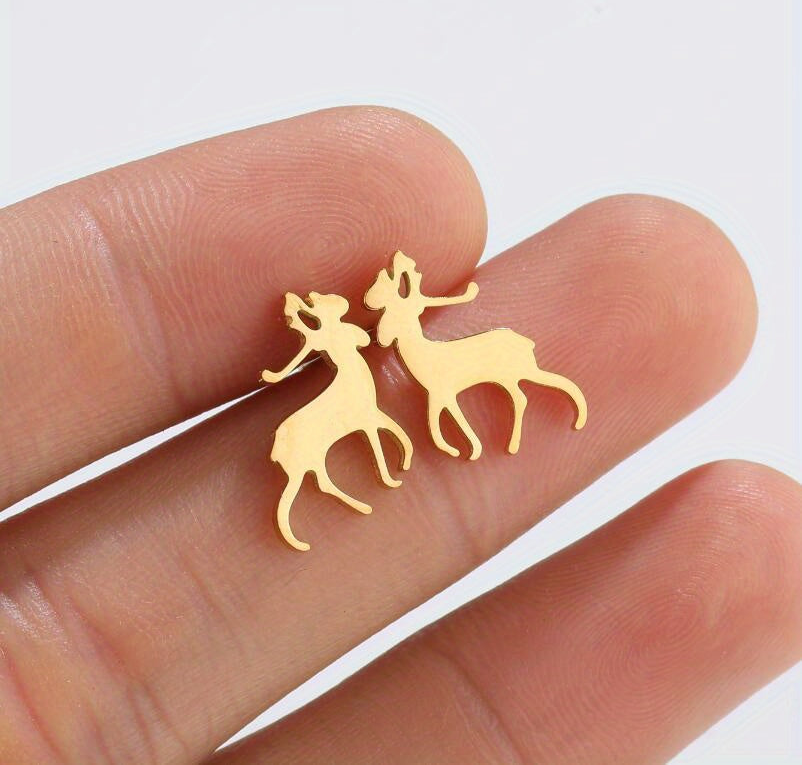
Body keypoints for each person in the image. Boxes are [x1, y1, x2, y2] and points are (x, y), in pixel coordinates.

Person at [0, 106, 799, 764]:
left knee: (469, 394)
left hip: (401, 375)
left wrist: (413, 312)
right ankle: (367, 468)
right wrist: (291, 363)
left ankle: (500, 414)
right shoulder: (340, 331)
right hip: (370, 387)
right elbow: (320, 350)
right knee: (350, 441)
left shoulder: (378, 322)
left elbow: (400, 320)